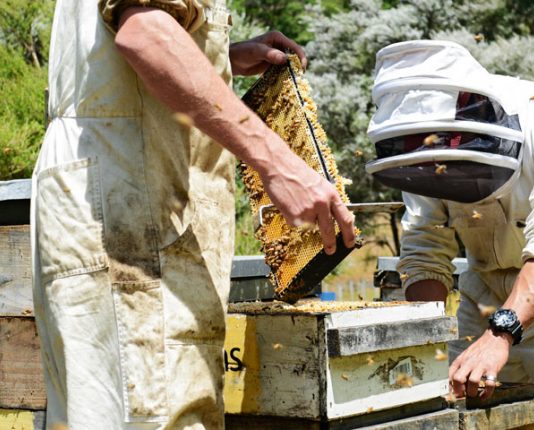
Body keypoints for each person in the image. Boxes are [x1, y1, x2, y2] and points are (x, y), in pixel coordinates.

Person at [31, 1, 355, 428]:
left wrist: (216, 55)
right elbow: (145, 33)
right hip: (132, 211)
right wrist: (277, 161)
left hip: (114, 202)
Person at [365, 40, 534, 429]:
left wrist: (501, 334)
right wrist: (426, 340)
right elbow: (425, 247)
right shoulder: (423, 144)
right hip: (483, 302)